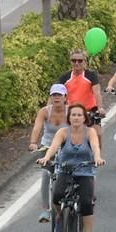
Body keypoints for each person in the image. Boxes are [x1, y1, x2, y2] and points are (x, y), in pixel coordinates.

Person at [37, 104, 105, 232]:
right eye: (73, 115)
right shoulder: (63, 132)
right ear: (69, 118)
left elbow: (95, 146)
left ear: (84, 118)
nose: (76, 118)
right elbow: (53, 147)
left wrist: (98, 157)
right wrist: (46, 158)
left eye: (79, 115)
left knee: (87, 203)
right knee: (56, 196)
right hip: (66, 171)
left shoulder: (90, 132)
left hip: (85, 172)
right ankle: (61, 218)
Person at [29, 84, 69, 223]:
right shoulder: (44, 111)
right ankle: (45, 209)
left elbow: (80, 127)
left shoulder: (72, 111)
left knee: (71, 172)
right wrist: (34, 142)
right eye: (54, 95)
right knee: (46, 174)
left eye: (59, 95)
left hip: (66, 146)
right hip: (47, 146)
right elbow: (37, 127)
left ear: (65, 97)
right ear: (50, 97)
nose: (56, 97)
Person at [58, 49, 104, 144]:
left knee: (97, 134)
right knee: (64, 138)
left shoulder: (91, 75)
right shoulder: (64, 77)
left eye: (80, 60)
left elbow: (97, 93)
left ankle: (98, 157)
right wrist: (50, 109)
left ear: (84, 61)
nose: (77, 63)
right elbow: (56, 94)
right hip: (72, 112)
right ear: (70, 61)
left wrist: (100, 108)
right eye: (74, 60)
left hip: (90, 111)